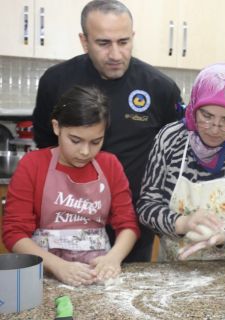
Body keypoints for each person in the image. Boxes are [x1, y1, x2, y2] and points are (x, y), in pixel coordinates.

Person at [31, 0, 183, 262]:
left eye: (123, 42)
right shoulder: (55, 81)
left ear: (133, 37)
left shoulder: (160, 88)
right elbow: (46, 145)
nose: (115, 54)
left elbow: (174, 155)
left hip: (130, 228)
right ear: (84, 40)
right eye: (103, 43)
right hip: (66, 223)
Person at [2, 86, 140, 286]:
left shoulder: (110, 165)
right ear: (57, 127)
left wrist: (113, 258)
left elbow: (128, 225)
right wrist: (57, 266)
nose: (85, 151)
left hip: (96, 275)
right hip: (45, 274)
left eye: (96, 141)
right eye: (75, 140)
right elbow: (14, 233)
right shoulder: (33, 164)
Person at [137, 63, 225, 260]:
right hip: (178, 269)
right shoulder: (170, 139)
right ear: (193, 108)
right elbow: (147, 205)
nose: (215, 129)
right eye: (206, 116)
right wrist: (183, 223)